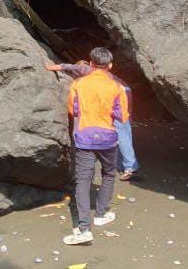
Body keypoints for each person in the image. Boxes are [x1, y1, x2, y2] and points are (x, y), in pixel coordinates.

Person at [46, 47, 129, 245]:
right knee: (109, 173)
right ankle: (101, 213)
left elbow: (72, 110)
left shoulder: (78, 84)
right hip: (108, 138)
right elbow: (123, 116)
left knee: (83, 180)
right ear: (110, 66)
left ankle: (84, 229)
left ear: (90, 64)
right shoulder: (117, 87)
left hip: (84, 137)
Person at [49, 58, 140, 180]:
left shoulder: (86, 69)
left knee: (121, 131)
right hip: (124, 90)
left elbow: (68, 66)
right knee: (122, 129)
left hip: (119, 92)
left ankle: (130, 167)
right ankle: (124, 164)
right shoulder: (99, 77)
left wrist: (50, 67)